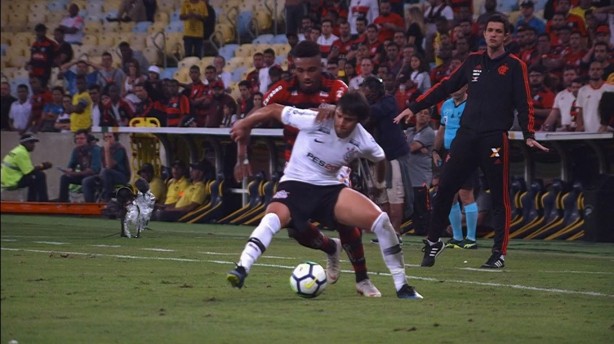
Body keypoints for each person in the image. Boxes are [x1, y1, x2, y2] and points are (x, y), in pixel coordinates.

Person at [227, 92, 423, 299]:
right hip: (296, 185)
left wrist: (380, 184)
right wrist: (244, 123)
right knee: (272, 220)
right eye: (339, 115)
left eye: (348, 120)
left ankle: (402, 286)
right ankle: (241, 268)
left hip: (330, 188)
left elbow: (380, 158)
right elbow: (273, 108)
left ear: (358, 121)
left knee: (381, 221)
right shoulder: (315, 119)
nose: (341, 122)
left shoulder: (363, 139)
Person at [394, 15, 549, 269]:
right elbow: (445, 87)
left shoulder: (514, 66)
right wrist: (414, 107)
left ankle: (498, 253)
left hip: (494, 138)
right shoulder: (473, 61)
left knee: (500, 196)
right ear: (485, 34)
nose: (493, 35)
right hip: (466, 136)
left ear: (506, 36)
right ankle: (433, 242)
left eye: (499, 31)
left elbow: (525, 103)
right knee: (444, 188)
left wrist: (529, 135)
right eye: (490, 30)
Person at [237, 40, 381, 297]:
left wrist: (333, 108)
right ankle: (330, 248)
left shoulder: (336, 88)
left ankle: (362, 279)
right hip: (296, 169)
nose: (306, 76)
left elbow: (347, 109)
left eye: (312, 70)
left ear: (321, 67)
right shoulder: (281, 89)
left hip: (332, 170)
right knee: (296, 229)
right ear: (293, 66)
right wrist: (241, 158)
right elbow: (257, 116)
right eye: (301, 70)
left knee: (344, 221)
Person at [433, 85, 479, 249]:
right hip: (448, 153)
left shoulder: (472, 104)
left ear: (466, 87)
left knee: (466, 194)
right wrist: (435, 150)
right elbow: (442, 129)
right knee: (448, 194)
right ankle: (457, 237)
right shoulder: (446, 105)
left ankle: (471, 238)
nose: (454, 89)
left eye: (459, 85)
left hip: (466, 152)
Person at [404, 108, 434, 237]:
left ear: (429, 118)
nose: (422, 115)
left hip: (421, 175)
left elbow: (410, 147)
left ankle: (426, 233)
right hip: (409, 175)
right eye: (420, 112)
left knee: (422, 205)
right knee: (413, 206)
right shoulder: (410, 131)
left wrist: (412, 146)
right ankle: (417, 230)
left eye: (426, 113)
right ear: (415, 116)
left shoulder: (429, 132)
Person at [1, 133, 51, 202]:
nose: (33, 145)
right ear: (24, 143)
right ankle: (44, 202)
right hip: (12, 181)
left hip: (6, 180)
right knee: (40, 175)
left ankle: (32, 201)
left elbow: (28, 170)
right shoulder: (21, 153)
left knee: (35, 176)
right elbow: (28, 171)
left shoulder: (17, 150)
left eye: (34, 143)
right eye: (31, 142)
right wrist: (43, 166)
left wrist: (41, 167)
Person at [82, 133, 131, 203]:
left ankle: (106, 199)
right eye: (105, 137)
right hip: (105, 174)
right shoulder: (102, 149)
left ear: (115, 138)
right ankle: (90, 204)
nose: (108, 139)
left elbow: (109, 166)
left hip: (121, 176)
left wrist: (107, 150)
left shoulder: (120, 149)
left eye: (110, 137)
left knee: (106, 172)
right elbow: (102, 165)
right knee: (87, 181)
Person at [57, 130, 103, 202]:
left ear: (87, 139)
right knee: (64, 178)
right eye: (77, 139)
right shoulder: (76, 150)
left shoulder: (96, 150)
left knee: (86, 180)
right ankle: (62, 203)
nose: (79, 141)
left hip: (98, 177)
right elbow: (71, 165)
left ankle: (90, 205)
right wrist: (69, 170)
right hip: (83, 175)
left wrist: (75, 173)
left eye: (81, 138)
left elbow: (94, 170)